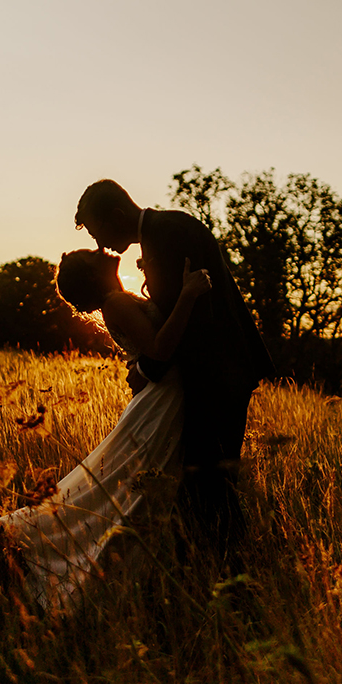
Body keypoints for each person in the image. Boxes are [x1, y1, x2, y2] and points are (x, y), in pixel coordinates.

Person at [0, 248, 211, 613]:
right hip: (163, 401)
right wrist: (187, 294)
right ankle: (36, 558)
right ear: (93, 273)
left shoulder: (119, 301)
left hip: (161, 397)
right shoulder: (116, 303)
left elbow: (148, 354)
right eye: (92, 253)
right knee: (124, 496)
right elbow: (159, 348)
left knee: (122, 494)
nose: (102, 250)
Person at [74, 179, 275, 565]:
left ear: (117, 216)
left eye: (100, 233)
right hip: (211, 374)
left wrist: (148, 366)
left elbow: (196, 320)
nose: (102, 246)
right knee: (205, 480)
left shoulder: (167, 235)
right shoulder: (162, 233)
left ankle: (230, 567)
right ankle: (217, 566)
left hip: (217, 375)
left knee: (209, 479)